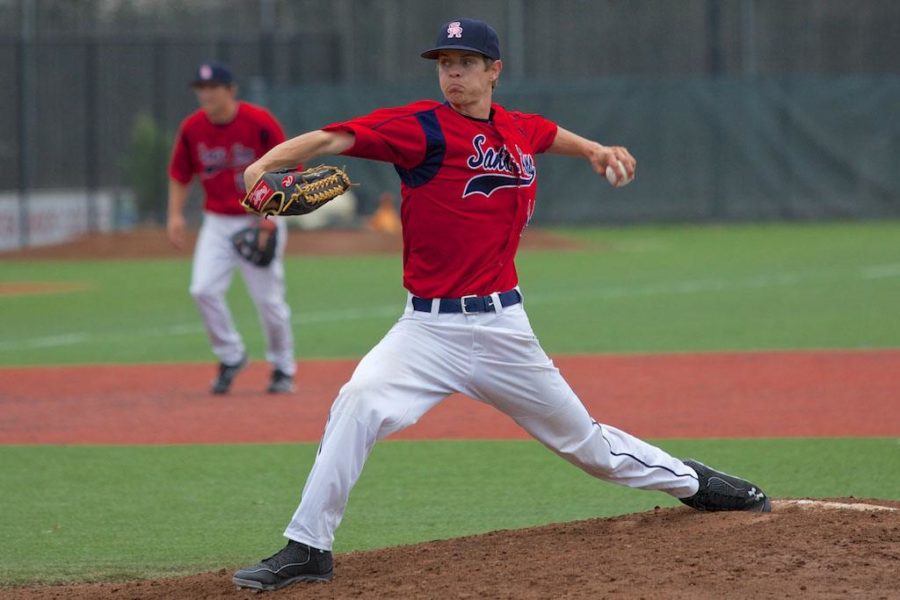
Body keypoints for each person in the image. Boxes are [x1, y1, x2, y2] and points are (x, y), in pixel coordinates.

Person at [232, 19, 771, 591]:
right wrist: (262, 166)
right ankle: (309, 547)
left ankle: (695, 482)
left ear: (494, 71)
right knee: (357, 402)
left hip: (502, 329)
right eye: (444, 63)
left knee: (589, 449)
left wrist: (594, 149)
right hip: (425, 332)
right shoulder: (421, 128)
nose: (453, 73)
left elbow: (549, 133)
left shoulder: (517, 129)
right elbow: (332, 138)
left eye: (465, 61)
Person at [167, 61, 297, 395]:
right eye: (201, 88)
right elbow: (181, 173)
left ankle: (283, 367)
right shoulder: (192, 128)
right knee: (203, 289)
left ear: (230, 90)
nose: (206, 94)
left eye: (213, 88)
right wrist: (175, 216)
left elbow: (287, 166)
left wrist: (269, 218)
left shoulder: (258, 122)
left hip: (260, 214)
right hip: (218, 221)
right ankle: (232, 355)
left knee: (268, 301)